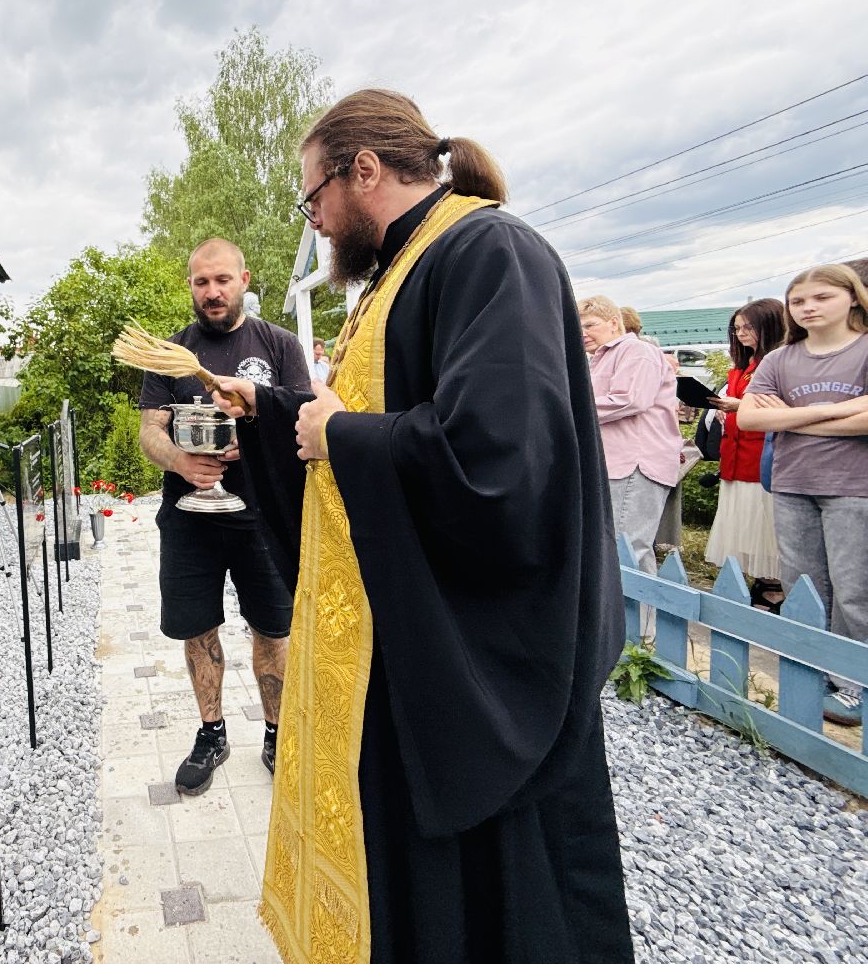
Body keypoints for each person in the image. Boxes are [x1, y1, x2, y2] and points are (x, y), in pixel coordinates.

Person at [213, 90, 630, 963]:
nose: (317, 220)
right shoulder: (404, 267)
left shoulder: (487, 250)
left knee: (495, 908)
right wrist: (273, 409)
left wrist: (342, 435)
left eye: (313, 197)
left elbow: (499, 457)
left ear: (363, 170)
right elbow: (375, 413)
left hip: (477, 654)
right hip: (404, 635)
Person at [137, 238, 311, 794]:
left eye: (222, 280)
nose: (212, 292)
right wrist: (182, 462)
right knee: (197, 626)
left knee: (271, 627)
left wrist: (254, 440)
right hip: (190, 517)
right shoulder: (170, 354)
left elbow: (303, 422)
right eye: (200, 282)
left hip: (262, 516)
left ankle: (276, 733)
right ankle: (212, 733)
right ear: (190, 284)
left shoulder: (279, 345)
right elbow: (149, 431)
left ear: (244, 279)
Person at [739, 265, 868, 727]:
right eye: (798, 301)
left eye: (821, 297)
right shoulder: (780, 359)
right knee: (804, 585)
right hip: (794, 483)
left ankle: (853, 684)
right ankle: (809, 671)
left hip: (855, 486)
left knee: (855, 590)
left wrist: (793, 414)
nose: (808, 307)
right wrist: (836, 411)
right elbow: (751, 420)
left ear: (852, 298)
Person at [580, 295, 682, 573]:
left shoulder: (636, 351)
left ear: (614, 323)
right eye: (578, 327)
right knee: (618, 548)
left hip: (635, 463)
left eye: (590, 325)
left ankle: (636, 617)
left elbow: (631, 399)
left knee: (627, 548)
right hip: (615, 463)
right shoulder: (598, 358)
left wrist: (570, 409)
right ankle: (632, 616)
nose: (583, 333)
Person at [704, 299, 788, 610]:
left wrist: (740, 407)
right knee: (742, 519)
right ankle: (756, 580)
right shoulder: (743, 366)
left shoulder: (780, 362)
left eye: (748, 327)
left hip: (762, 454)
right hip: (735, 454)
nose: (741, 334)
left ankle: (774, 584)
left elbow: (784, 407)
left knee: (764, 520)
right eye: (737, 328)